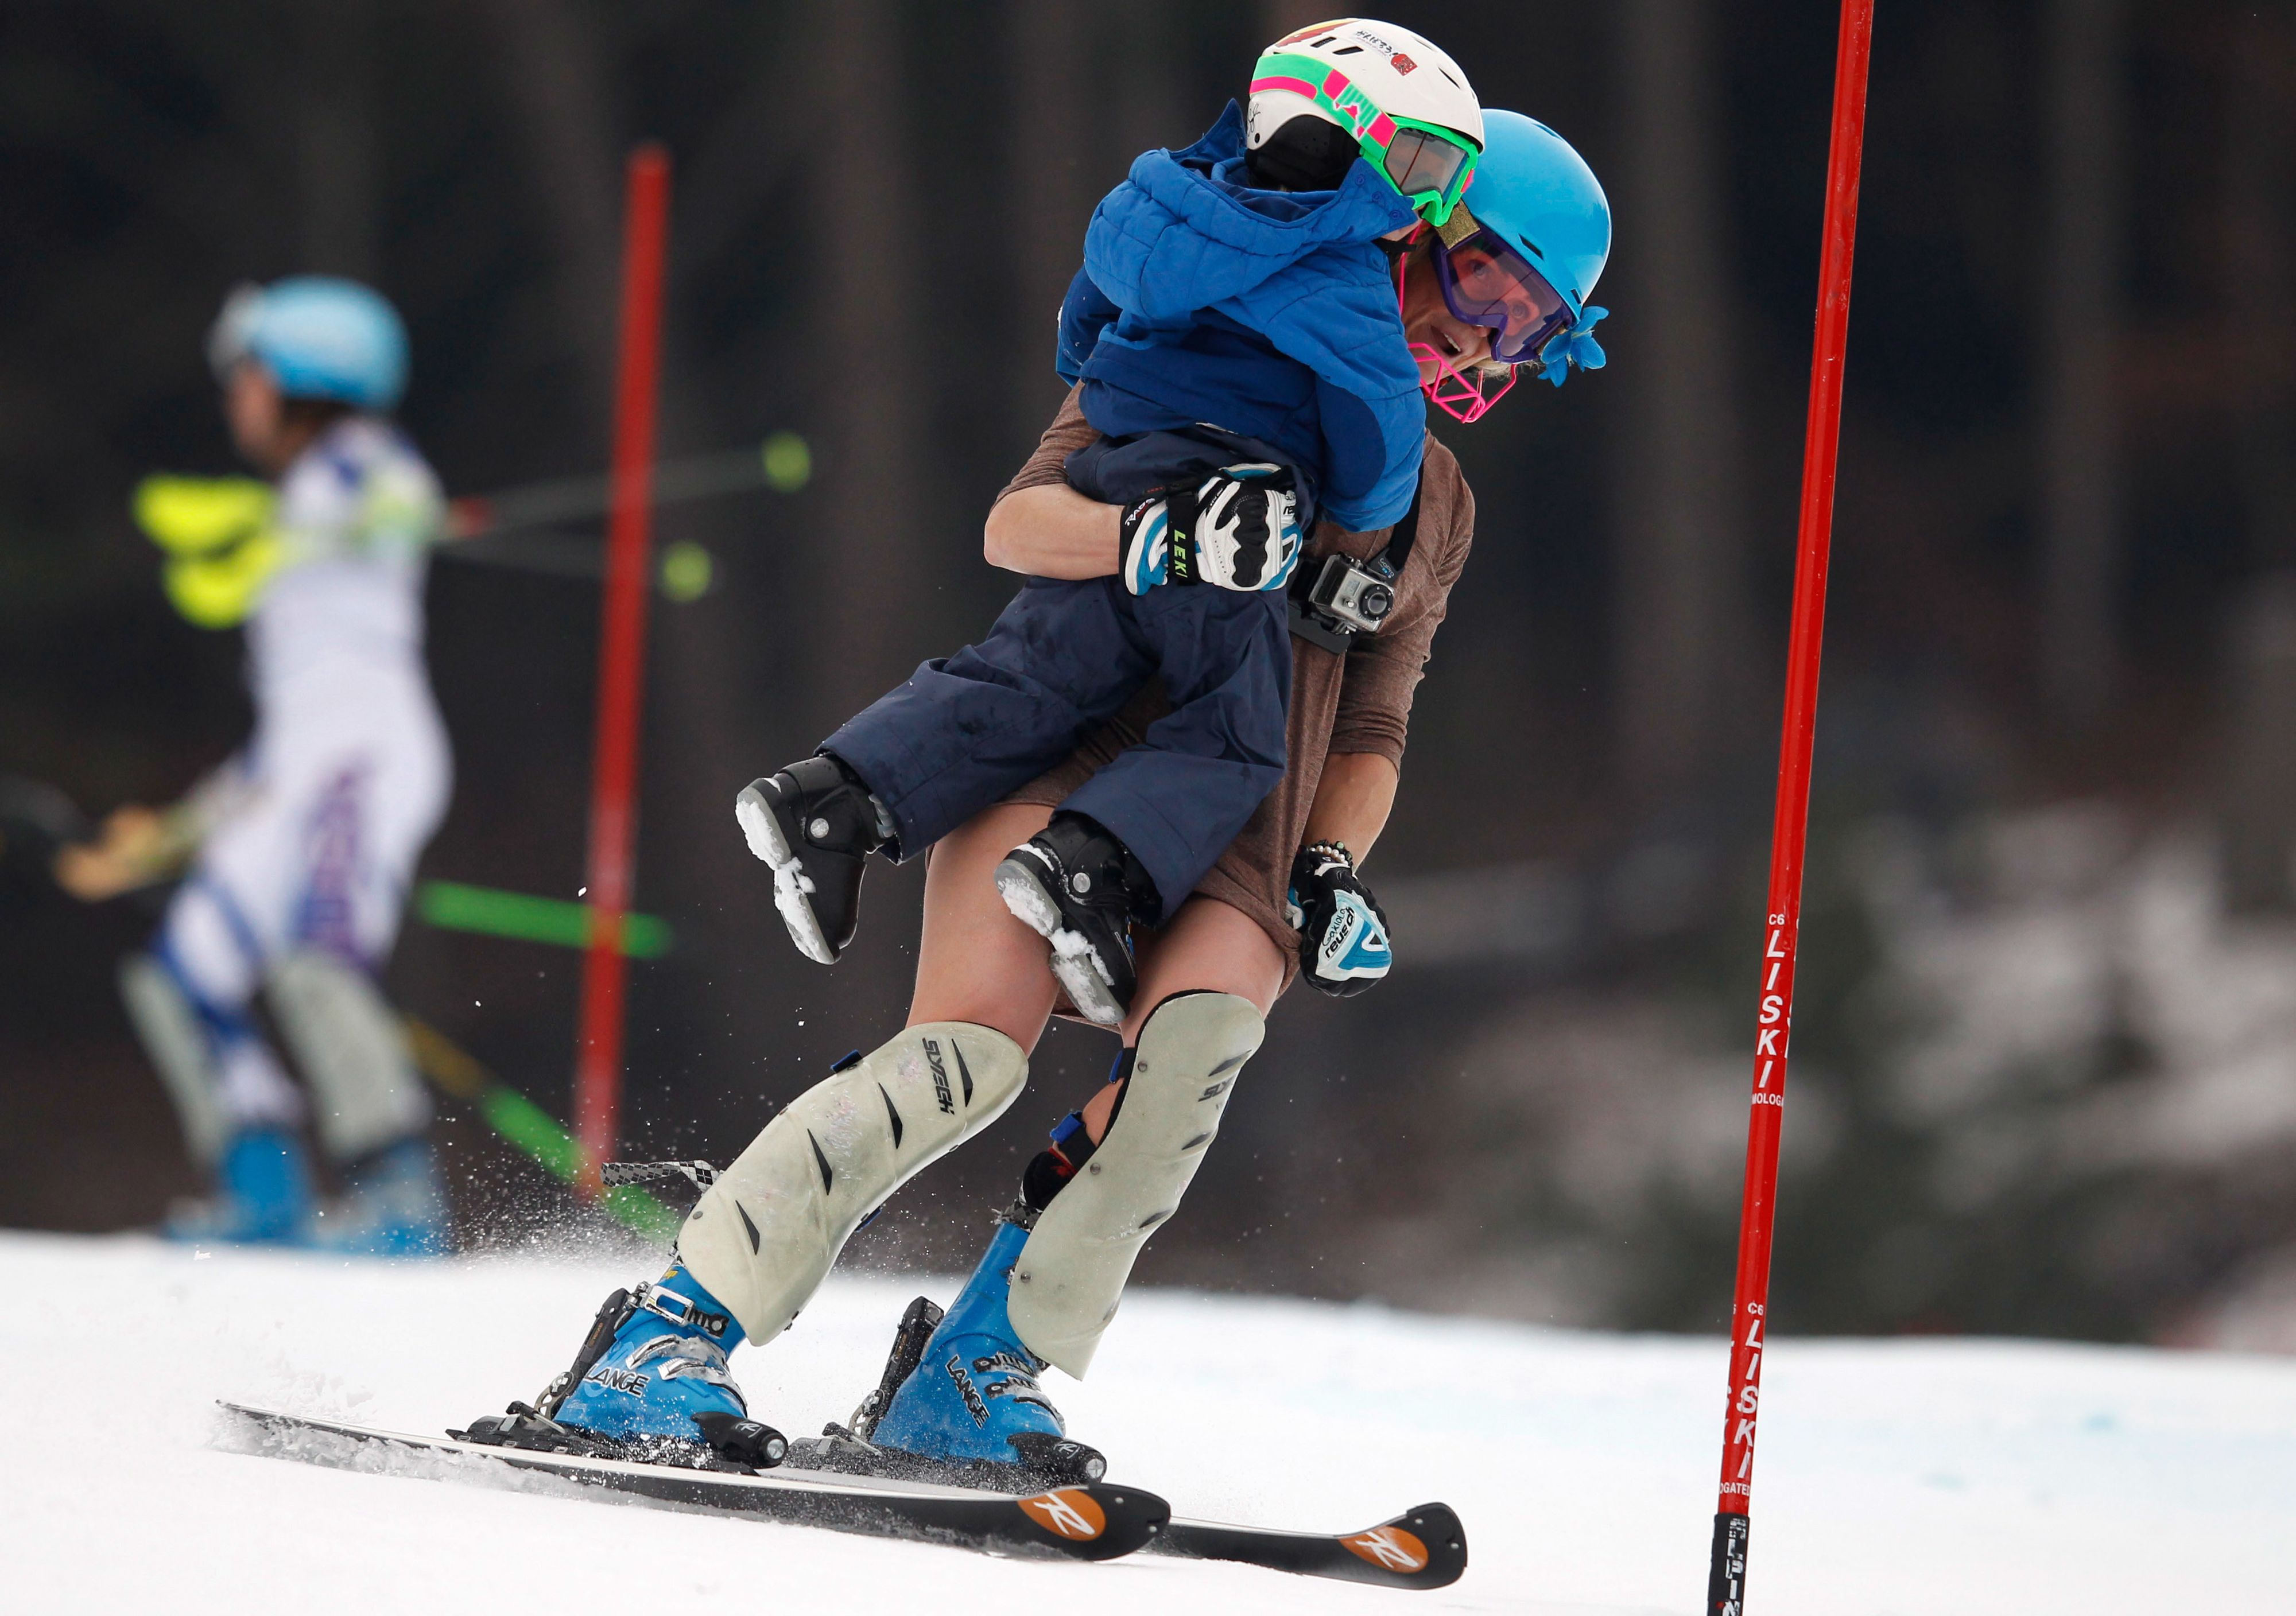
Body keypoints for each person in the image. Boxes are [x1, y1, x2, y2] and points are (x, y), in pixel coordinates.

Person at [497, 110, 1612, 1480]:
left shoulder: (1431, 500)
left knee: (1187, 1066)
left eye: (1529, 331)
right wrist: (1157, 534)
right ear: (1408, 228)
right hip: (1071, 756)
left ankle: (976, 1375)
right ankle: (661, 1336)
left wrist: (1329, 867)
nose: (1489, 344)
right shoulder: (1210, 342)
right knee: (959, 1065)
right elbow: (1016, 525)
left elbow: (1373, 725)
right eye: (1491, 290)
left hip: (1246, 819)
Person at [735, 20, 1483, 1028]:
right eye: (1426, 170)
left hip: (1118, 468)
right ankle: (1091, 868)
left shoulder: (1159, 203)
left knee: (1034, 675)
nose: (1430, 204)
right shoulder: (1343, 276)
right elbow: (1381, 459)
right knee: (1236, 735)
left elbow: (1083, 327)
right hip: (1234, 507)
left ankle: (834, 798)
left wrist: (1138, 398)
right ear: (1355, 141)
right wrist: (1351, 506)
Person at [57, 277, 455, 1254]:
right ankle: (262, 1194)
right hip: (298, 760)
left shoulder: (358, 465)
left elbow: (405, 493)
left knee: (318, 957)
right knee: (186, 965)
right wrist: (184, 830)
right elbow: (290, 724)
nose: (237, 396)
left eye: (249, 376)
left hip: (367, 754)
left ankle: (402, 1206)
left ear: (305, 379)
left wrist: (379, 515)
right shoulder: (294, 503)